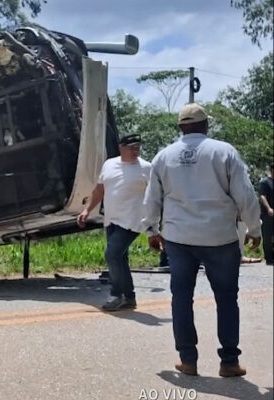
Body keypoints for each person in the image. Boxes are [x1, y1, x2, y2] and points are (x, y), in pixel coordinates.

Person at [142, 103, 262, 378]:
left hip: (179, 238)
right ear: (206, 125)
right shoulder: (223, 151)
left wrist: (151, 230)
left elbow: (152, 199)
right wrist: (254, 228)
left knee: (181, 297)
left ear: (180, 127)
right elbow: (245, 194)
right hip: (219, 236)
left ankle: (188, 360)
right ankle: (229, 362)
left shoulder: (164, 156)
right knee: (227, 298)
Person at [78, 133, 152, 310]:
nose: (135, 151)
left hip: (133, 220)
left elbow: (156, 195)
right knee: (120, 258)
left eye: (137, 147)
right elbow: (99, 190)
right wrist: (87, 209)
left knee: (112, 254)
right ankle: (129, 297)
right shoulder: (109, 164)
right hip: (111, 219)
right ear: (121, 148)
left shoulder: (147, 168)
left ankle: (116, 294)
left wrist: (154, 226)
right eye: (131, 147)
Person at [260, 162, 274, 265]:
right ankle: (269, 258)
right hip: (268, 213)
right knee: (267, 236)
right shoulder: (265, 182)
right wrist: (269, 208)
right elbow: (262, 196)